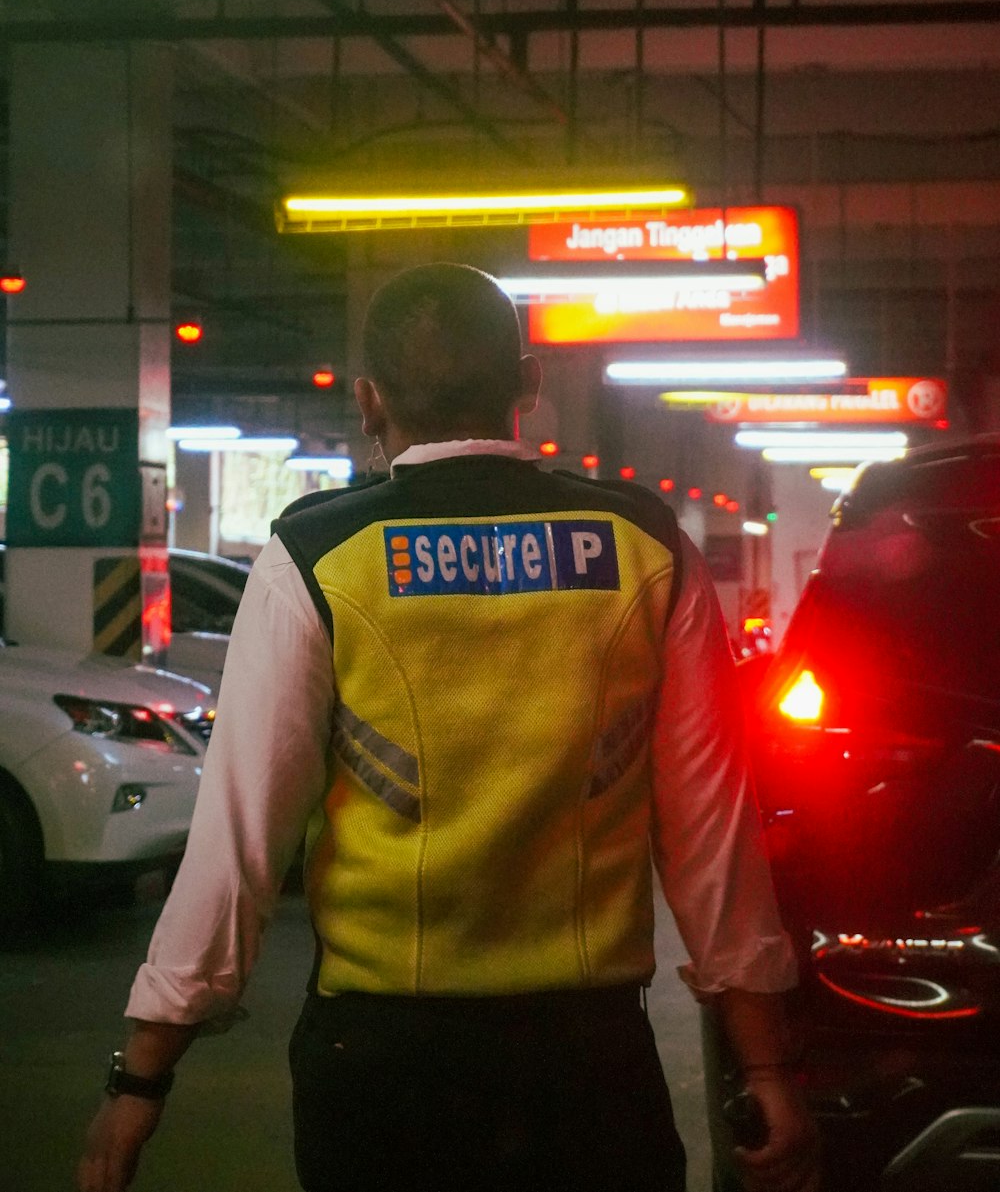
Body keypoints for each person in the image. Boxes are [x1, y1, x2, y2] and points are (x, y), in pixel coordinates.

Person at [78, 262, 819, 1192]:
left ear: (368, 399)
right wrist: (765, 1069)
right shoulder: (645, 546)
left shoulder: (315, 558)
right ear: (529, 382)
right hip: (588, 1062)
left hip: (382, 1066)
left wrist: (141, 1076)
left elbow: (236, 849)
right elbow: (715, 841)